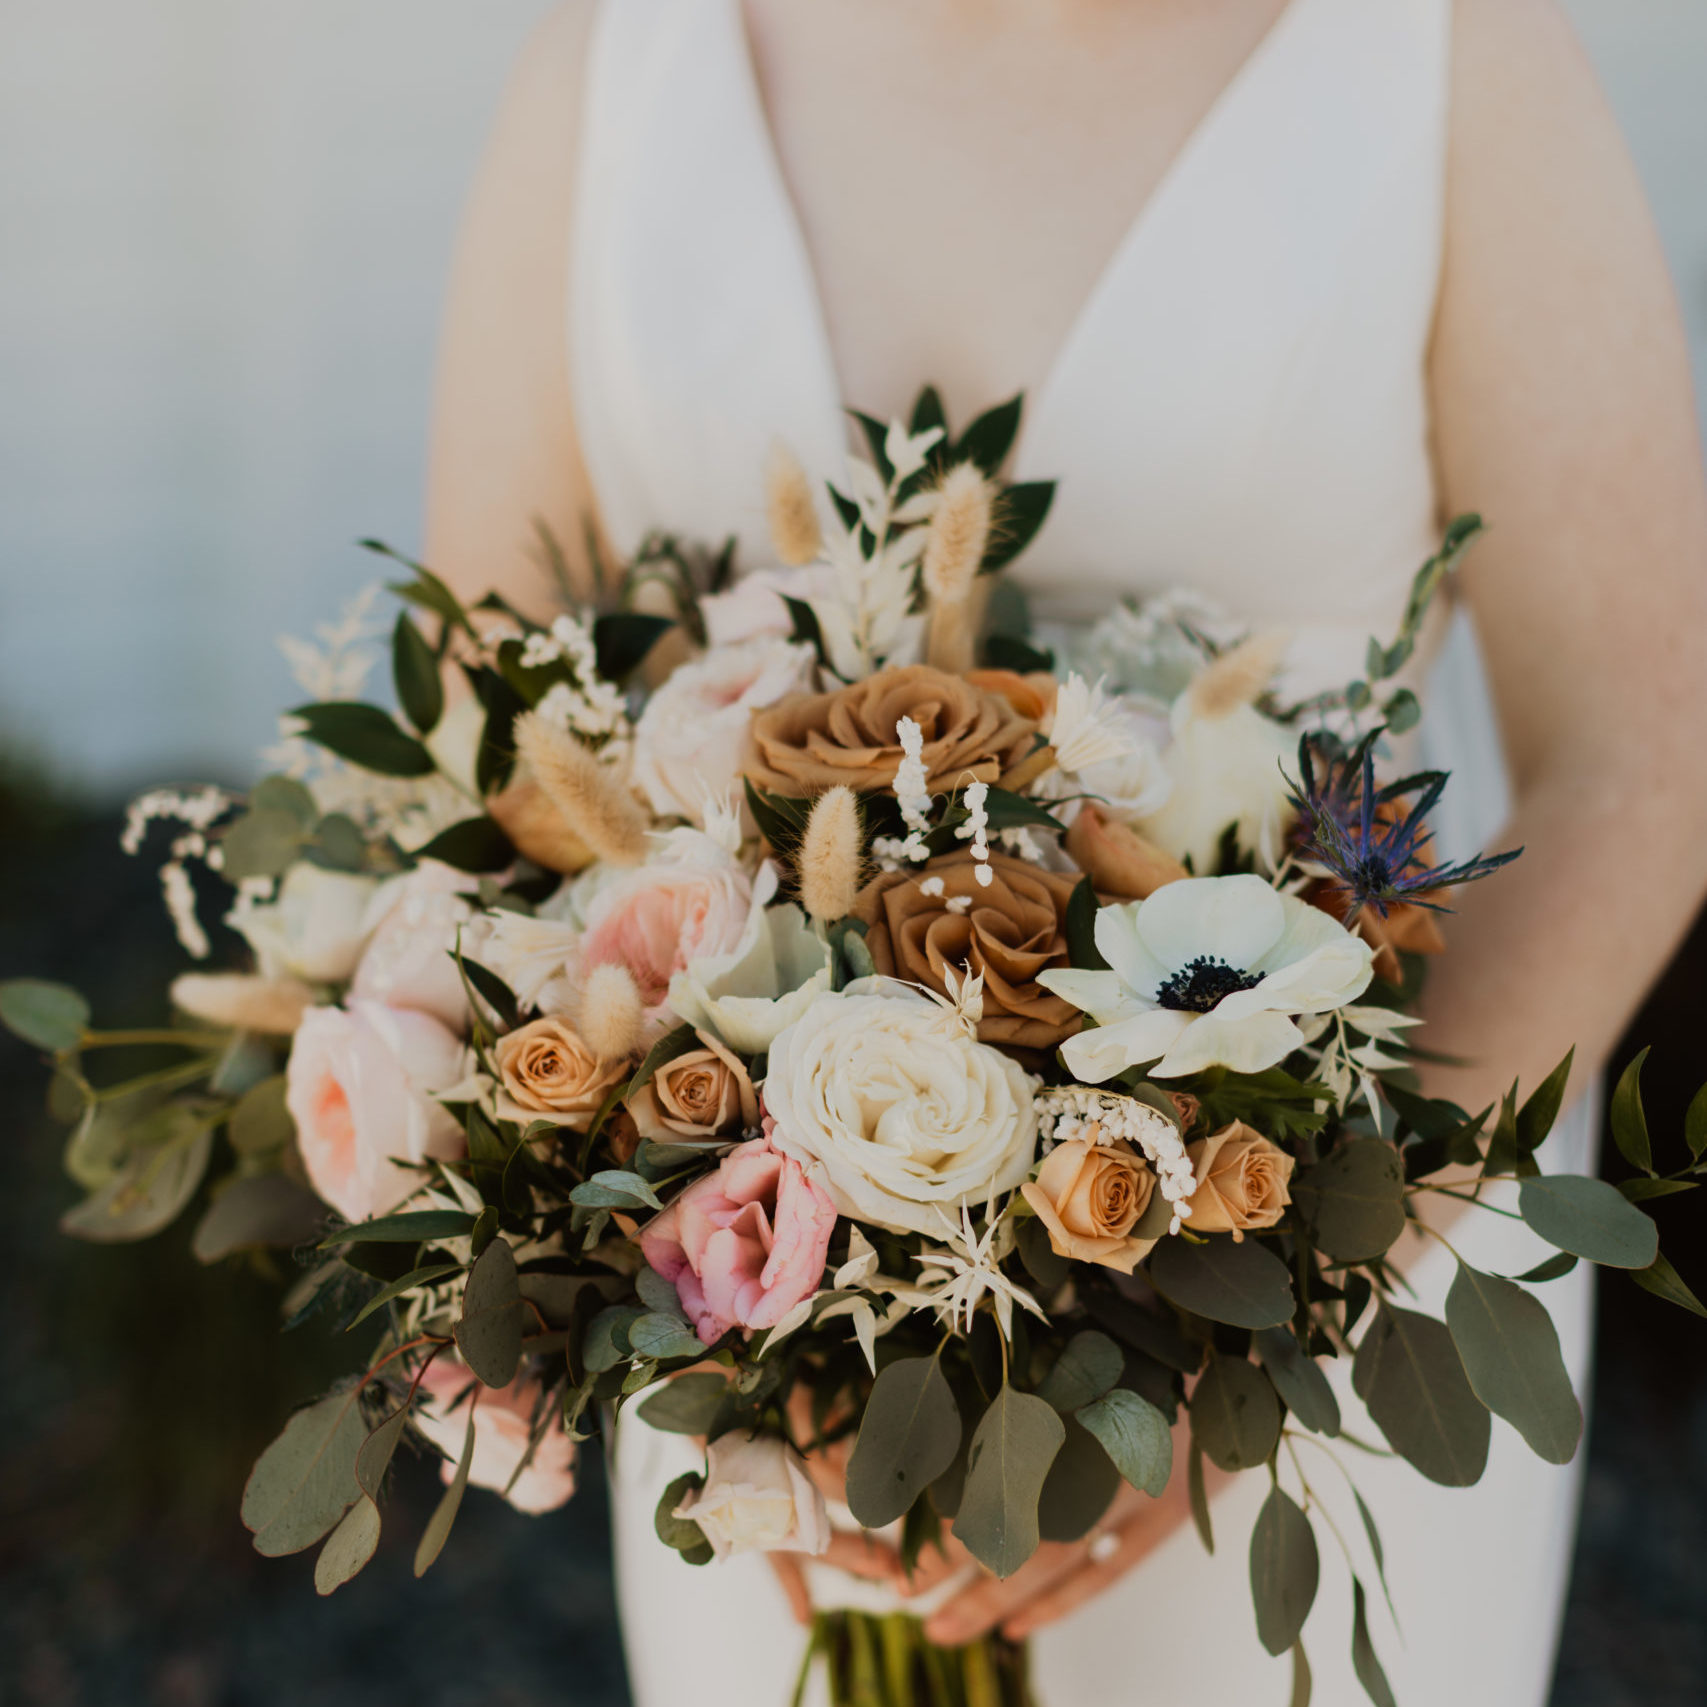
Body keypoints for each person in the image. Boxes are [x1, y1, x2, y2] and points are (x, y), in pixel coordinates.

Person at [422, 2, 1707, 1701]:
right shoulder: (618, 66)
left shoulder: (1443, 54)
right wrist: (731, 1281)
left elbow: (1647, 752)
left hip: (1328, 1296)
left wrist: (1283, 1304)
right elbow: (495, 740)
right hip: (760, 1339)